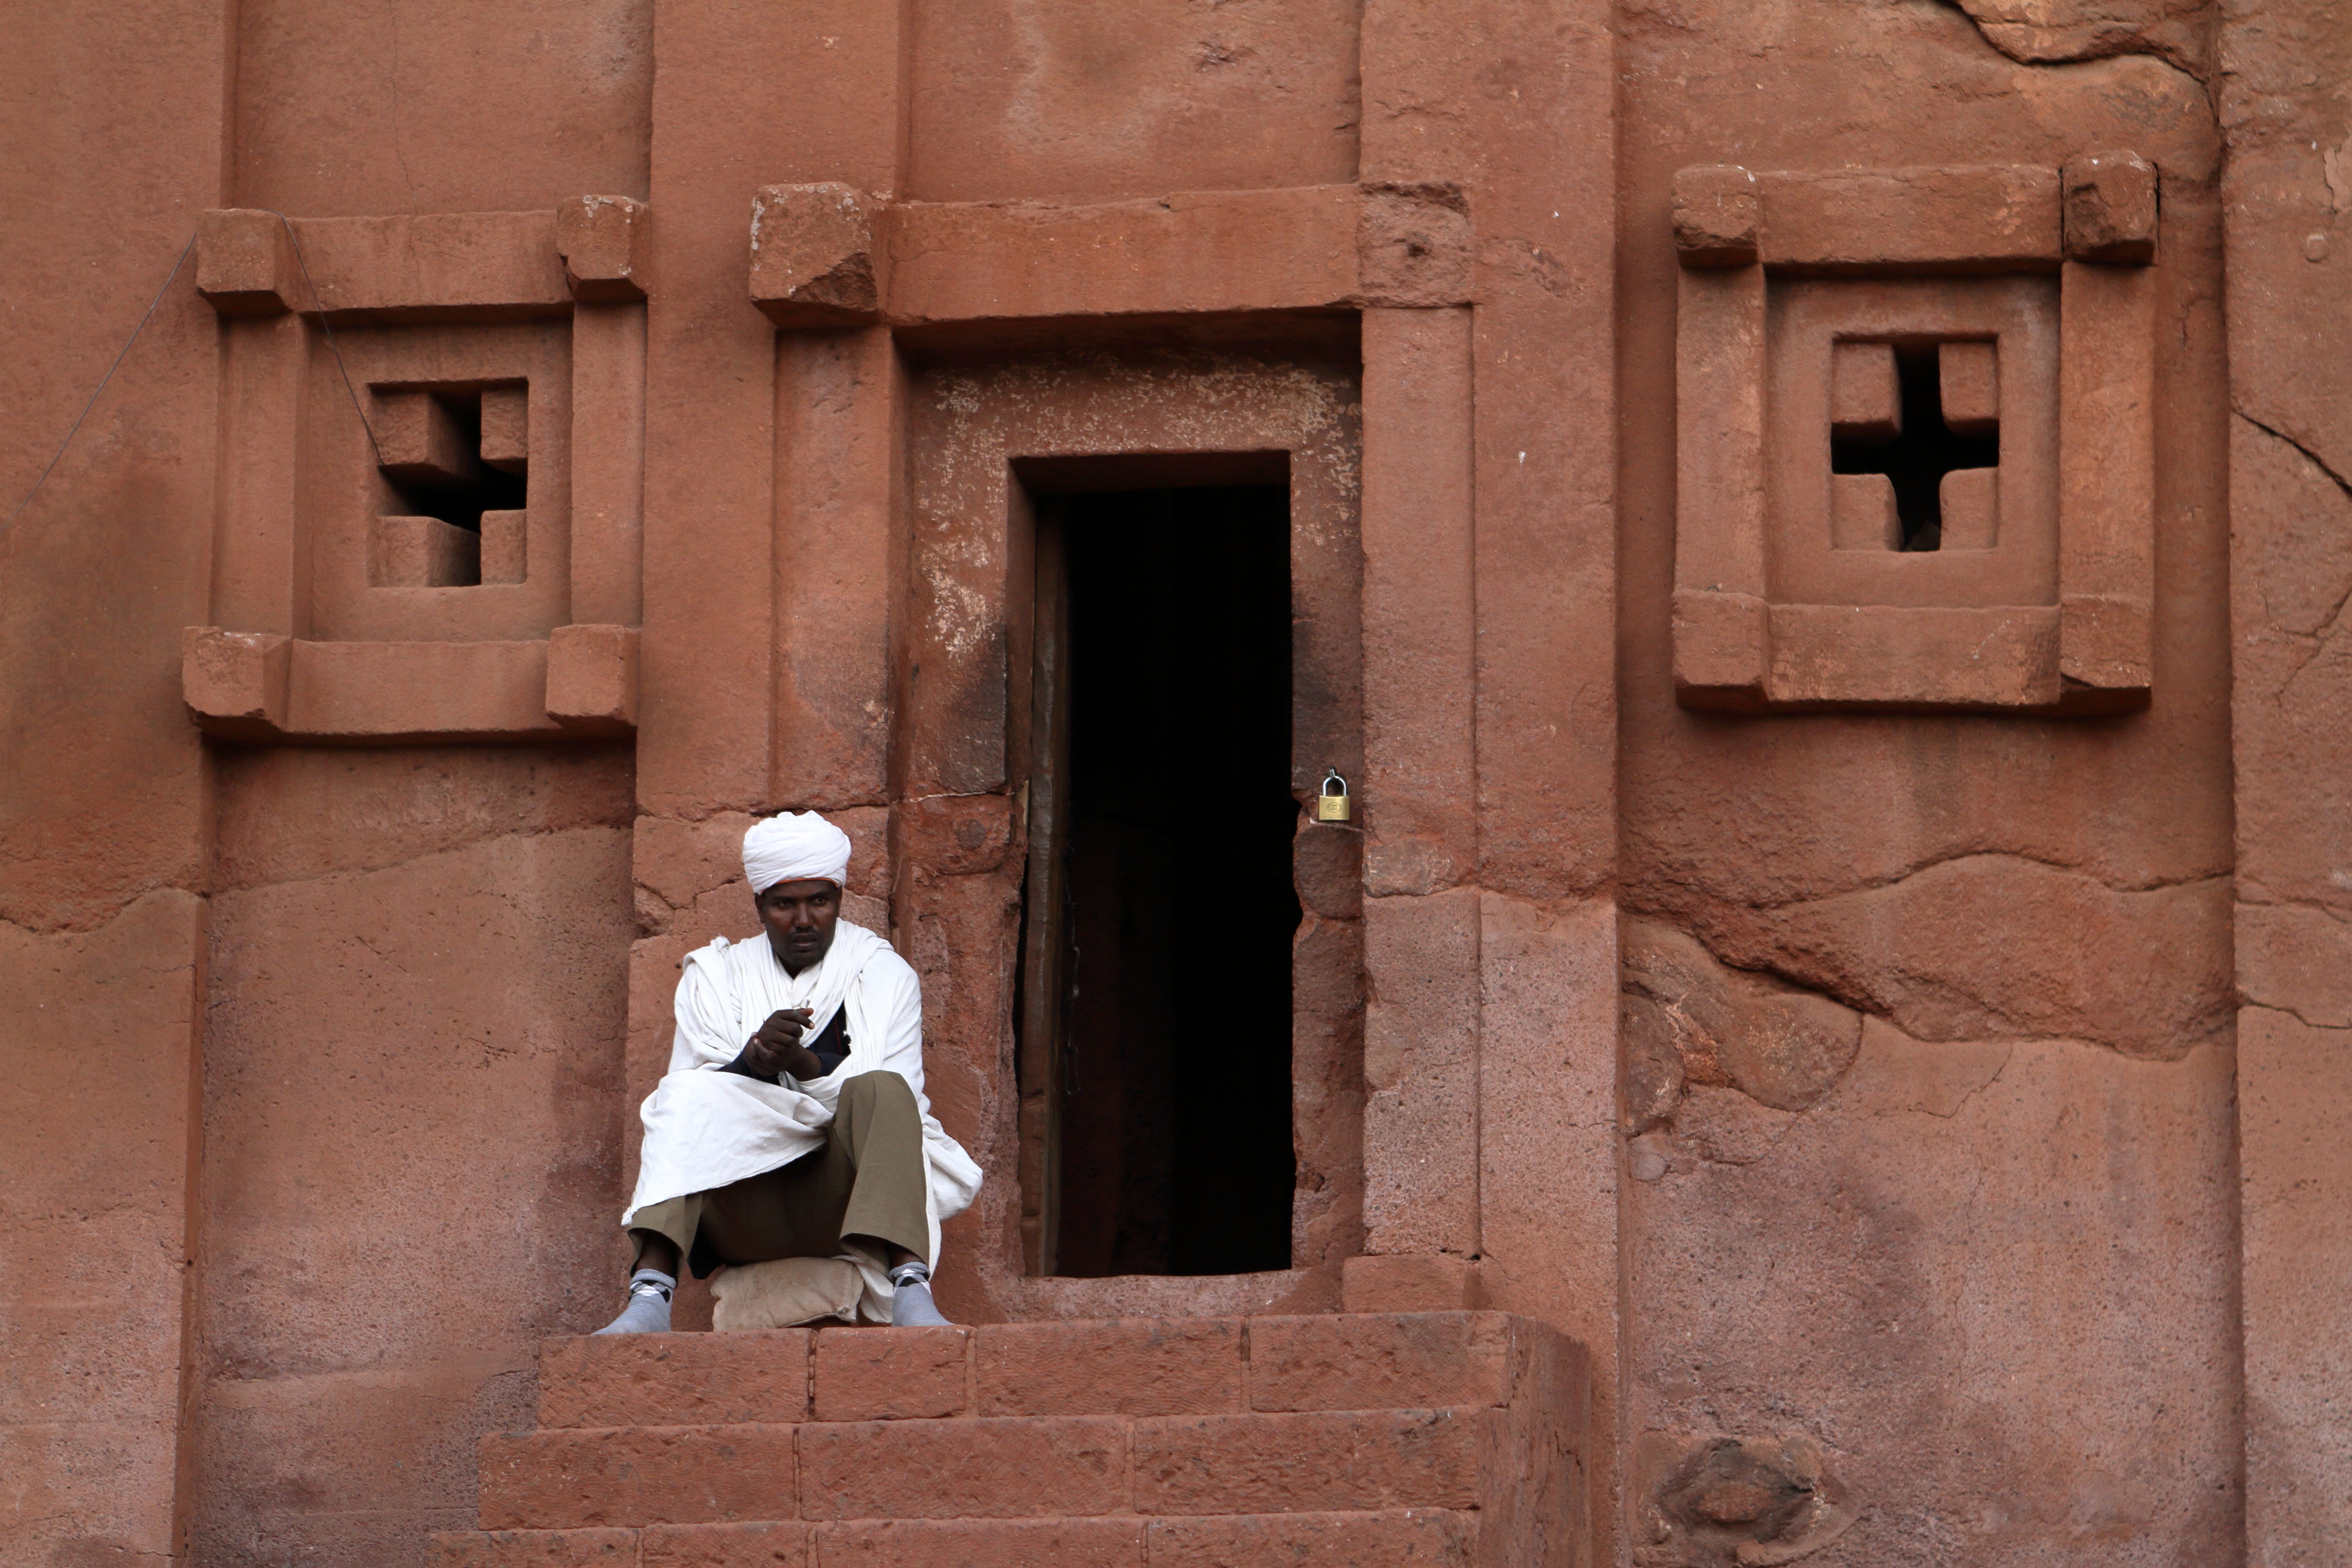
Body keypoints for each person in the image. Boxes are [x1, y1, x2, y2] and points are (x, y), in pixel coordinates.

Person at [596, 810, 982, 1334]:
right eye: (784, 904)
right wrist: (753, 1063)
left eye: (819, 901)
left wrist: (801, 1065)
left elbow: (899, 1112)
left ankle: (912, 1289)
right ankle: (649, 1298)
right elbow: (697, 1105)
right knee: (683, 1095)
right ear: (759, 907)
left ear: (839, 900)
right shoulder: (717, 977)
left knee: (884, 1091)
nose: (804, 920)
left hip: (850, 1209)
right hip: (744, 1206)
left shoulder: (884, 974)